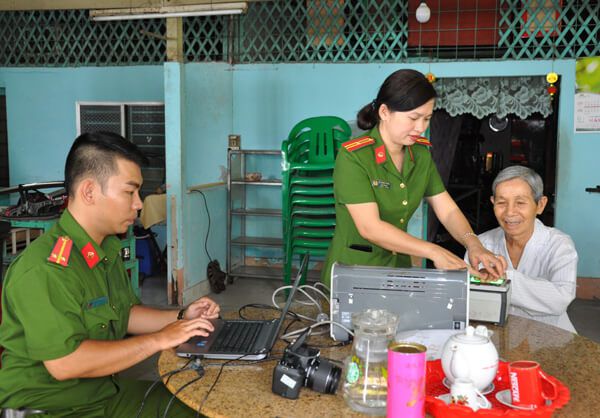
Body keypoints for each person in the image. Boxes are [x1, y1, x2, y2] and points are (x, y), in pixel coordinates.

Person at [0, 132, 220, 417]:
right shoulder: (45, 269)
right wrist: (160, 339)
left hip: (101, 394)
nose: (139, 203)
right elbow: (66, 363)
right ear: (89, 192)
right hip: (52, 408)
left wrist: (182, 317)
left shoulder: (104, 249)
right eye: (130, 192)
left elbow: (124, 314)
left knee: (202, 406)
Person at [321, 69, 506, 286]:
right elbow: (370, 227)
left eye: (427, 119)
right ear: (384, 112)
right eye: (413, 118)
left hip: (397, 270)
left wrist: (474, 244)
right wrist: (434, 251)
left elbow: (447, 209)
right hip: (354, 273)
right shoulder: (354, 156)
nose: (421, 128)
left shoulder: (420, 154)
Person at [465, 166, 578, 332]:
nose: (510, 212)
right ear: (493, 203)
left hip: (550, 335)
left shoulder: (559, 244)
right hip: (492, 334)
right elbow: (465, 296)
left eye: (520, 203)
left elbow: (561, 299)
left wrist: (504, 278)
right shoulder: (481, 245)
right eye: (501, 203)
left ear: (540, 205)